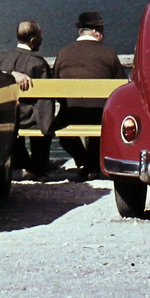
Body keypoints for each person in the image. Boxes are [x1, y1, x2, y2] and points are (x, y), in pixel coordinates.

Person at [52, 10, 124, 177]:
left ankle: (85, 162)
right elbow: (120, 88)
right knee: (102, 118)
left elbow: (55, 86)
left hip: (71, 115)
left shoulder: (63, 53)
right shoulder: (109, 54)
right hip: (100, 115)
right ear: (96, 32)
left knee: (63, 130)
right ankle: (92, 165)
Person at [0, 21, 52, 177]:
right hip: (28, 117)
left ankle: (22, 163)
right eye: (40, 37)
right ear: (33, 40)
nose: (42, 40)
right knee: (43, 121)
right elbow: (46, 99)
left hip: (4, 115)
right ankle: (37, 166)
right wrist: (47, 125)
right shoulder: (38, 63)